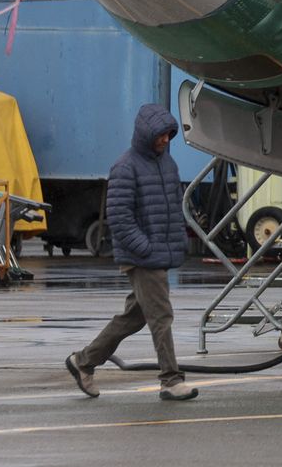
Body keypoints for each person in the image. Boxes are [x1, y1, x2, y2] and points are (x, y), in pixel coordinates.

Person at [66, 102, 197, 401]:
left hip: (157, 254)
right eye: (160, 135)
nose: (165, 140)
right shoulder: (125, 167)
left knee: (134, 318)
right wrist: (146, 249)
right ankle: (171, 380)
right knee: (161, 315)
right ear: (145, 134)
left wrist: (177, 242)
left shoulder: (167, 164)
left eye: (169, 134)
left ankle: (83, 361)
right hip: (142, 258)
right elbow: (120, 217)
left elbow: (175, 209)